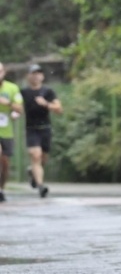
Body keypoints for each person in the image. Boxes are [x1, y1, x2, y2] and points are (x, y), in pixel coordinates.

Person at [21, 64, 63, 198]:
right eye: (33, 73)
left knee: (43, 158)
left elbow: (59, 109)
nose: (36, 76)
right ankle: (41, 187)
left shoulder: (48, 92)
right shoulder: (24, 92)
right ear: (28, 76)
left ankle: (34, 174)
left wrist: (46, 104)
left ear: (43, 76)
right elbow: (17, 104)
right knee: (35, 155)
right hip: (31, 129)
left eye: (38, 73)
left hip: (45, 128)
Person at [0, 62, 24, 203]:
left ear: (4, 72)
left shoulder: (12, 88)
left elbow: (19, 109)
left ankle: (1, 188)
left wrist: (7, 104)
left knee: (5, 163)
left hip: (7, 132)